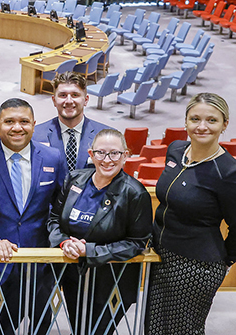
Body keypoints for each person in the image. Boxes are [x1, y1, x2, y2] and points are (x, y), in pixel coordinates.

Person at [146, 93, 236, 334]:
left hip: (195, 266)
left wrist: (224, 262)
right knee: (154, 327)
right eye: (195, 119)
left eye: (211, 120)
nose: (202, 126)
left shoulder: (230, 173)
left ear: (224, 124)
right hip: (160, 256)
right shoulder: (176, 150)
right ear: (185, 121)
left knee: (182, 330)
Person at [0, 98, 67, 335]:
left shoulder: (53, 157)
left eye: (24, 121)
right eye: (9, 122)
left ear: (34, 125)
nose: (17, 127)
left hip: (39, 265)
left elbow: (61, 207)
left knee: (40, 327)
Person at [47, 129, 152, 335]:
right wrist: (64, 242)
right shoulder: (75, 180)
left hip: (111, 281)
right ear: (91, 154)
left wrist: (89, 251)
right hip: (73, 277)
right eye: (101, 153)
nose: (107, 160)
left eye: (115, 153)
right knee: (79, 329)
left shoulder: (135, 193)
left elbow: (137, 243)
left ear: (125, 156)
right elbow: (53, 220)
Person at [34, 72, 114, 172]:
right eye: (63, 95)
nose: (68, 101)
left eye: (75, 95)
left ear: (86, 100)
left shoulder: (107, 136)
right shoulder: (35, 135)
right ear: (54, 101)